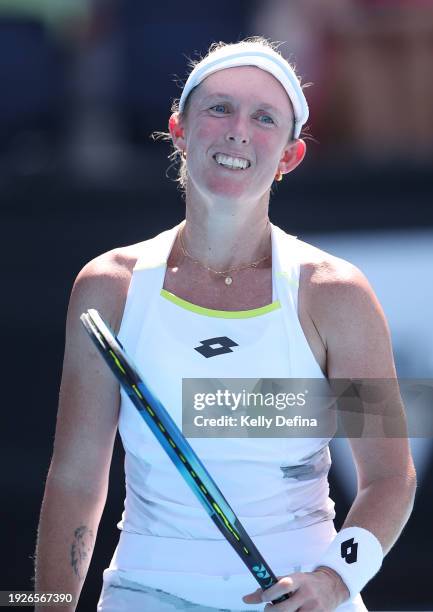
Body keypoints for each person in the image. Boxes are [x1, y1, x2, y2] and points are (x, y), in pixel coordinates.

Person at [34, 37, 416, 612]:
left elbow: (391, 478)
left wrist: (335, 581)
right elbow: (75, 478)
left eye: (265, 118)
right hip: (146, 590)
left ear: (290, 156)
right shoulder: (107, 287)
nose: (239, 130)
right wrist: (46, 607)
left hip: (306, 593)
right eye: (219, 108)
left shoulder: (338, 295)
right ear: (180, 130)